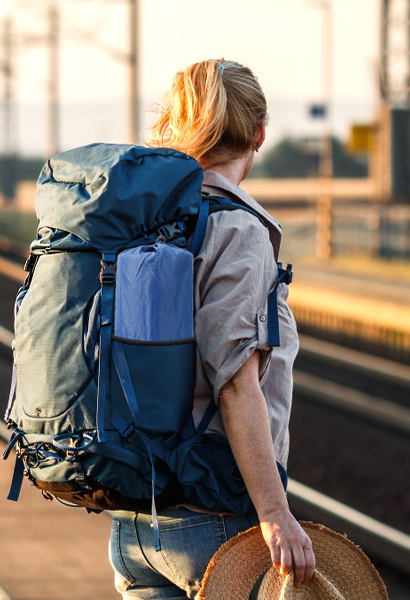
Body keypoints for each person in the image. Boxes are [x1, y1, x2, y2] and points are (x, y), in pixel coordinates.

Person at [105, 58, 316, 599]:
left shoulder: (141, 220)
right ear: (260, 134)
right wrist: (275, 514)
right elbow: (236, 381)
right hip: (213, 520)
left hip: (136, 525)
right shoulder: (237, 230)